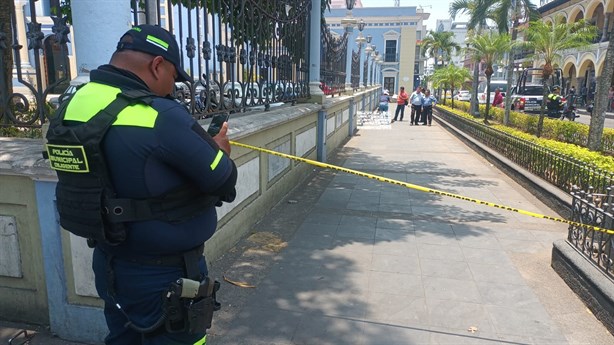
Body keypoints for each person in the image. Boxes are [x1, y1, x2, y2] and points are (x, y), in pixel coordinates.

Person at [46, 25, 237, 345]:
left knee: (123, 338)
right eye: (173, 78)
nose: (171, 89)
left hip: (109, 265)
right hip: (167, 278)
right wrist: (220, 151)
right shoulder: (159, 115)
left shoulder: (73, 103)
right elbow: (223, 178)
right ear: (157, 65)